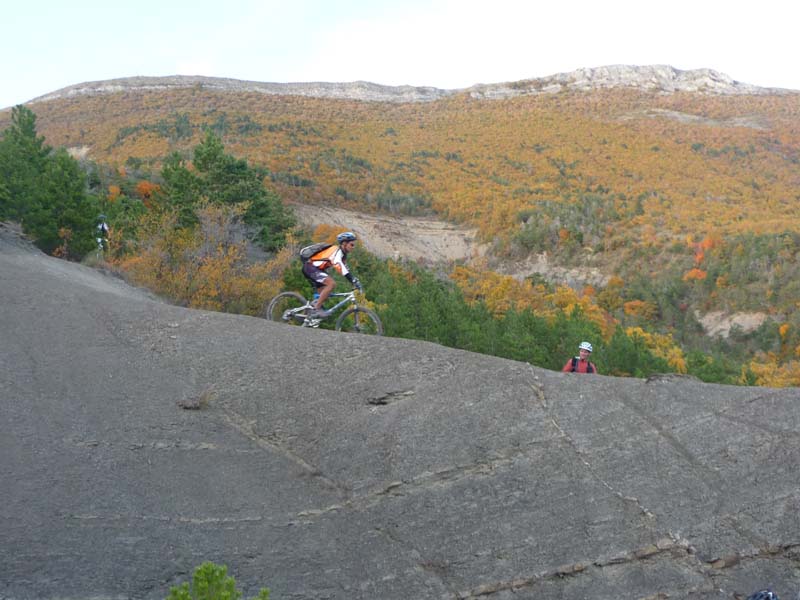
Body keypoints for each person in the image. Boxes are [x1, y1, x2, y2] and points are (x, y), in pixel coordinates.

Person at [302, 231, 362, 317]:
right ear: (344, 244)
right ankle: (316, 309)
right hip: (310, 267)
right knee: (331, 284)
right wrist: (352, 280)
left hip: (316, 270)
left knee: (324, 295)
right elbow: (339, 266)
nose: (353, 247)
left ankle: (307, 315)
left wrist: (355, 280)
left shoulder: (343, 255)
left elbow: (345, 269)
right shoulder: (336, 251)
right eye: (352, 245)